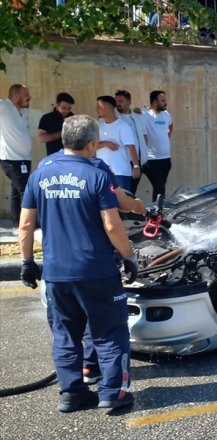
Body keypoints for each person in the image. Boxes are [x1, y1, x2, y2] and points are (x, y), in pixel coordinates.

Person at [19, 114, 137, 412]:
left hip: (56, 274)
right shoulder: (97, 174)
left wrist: (27, 262)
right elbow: (112, 225)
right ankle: (113, 393)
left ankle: (72, 394)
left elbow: (25, 225)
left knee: (65, 335)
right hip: (96, 271)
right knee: (110, 331)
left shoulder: (40, 173)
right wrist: (128, 256)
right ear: (92, 143)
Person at [0, 84, 32, 223]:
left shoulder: (22, 113)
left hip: (25, 159)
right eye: (26, 95)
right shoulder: (5, 106)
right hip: (11, 159)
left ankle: (16, 222)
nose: (29, 97)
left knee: (16, 191)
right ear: (16, 95)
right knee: (24, 190)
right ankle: (29, 223)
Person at [96, 96, 138, 192]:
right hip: (103, 173)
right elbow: (92, 146)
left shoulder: (123, 126)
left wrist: (136, 166)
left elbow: (131, 147)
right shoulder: (99, 126)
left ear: (108, 108)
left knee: (123, 205)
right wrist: (106, 143)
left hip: (120, 173)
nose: (97, 110)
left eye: (99, 107)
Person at [142, 90, 173, 202]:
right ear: (155, 102)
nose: (165, 103)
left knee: (160, 188)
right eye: (163, 101)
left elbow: (170, 125)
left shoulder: (166, 115)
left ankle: (156, 213)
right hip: (151, 160)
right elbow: (133, 114)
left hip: (166, 159)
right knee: (160, 187)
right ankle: (157, 214)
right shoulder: (145, 115)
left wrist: (166, 137)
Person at [115, 90, 148, 195]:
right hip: (122, 162)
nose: (118, 103)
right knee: (122, 193)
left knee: (132, 191)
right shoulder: (114, 118)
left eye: (121, 101)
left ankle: (130, 211)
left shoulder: (138, 117)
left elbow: (144, 136)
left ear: (129, 102)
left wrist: (139, 160)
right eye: (116, 101)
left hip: (136, 161)